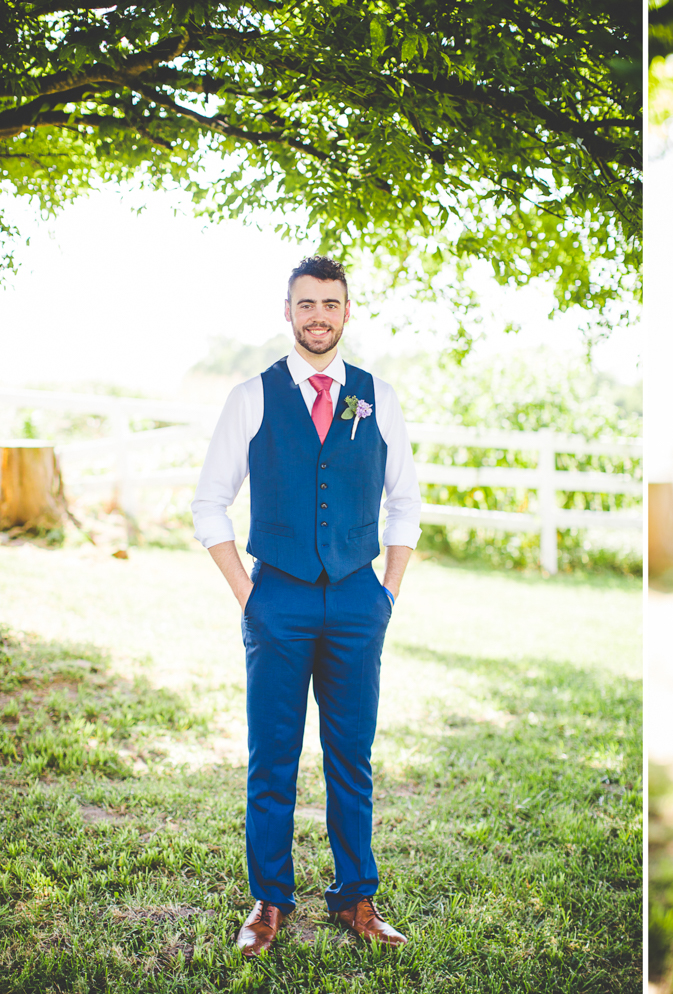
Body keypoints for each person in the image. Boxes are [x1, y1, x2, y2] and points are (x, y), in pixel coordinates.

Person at [192, 256, 422, 956]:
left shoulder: (376, 395)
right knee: (273, 758)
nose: (318, 315)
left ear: (347, 312)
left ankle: (357, 898)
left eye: (331, 303)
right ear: (287, 312)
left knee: (352, 756)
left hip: (358, 599)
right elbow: (209, 504)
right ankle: (269, 902)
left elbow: (405, 502)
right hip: (278, 599)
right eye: (306, 304)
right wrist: (248, 595)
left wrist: (386, 594)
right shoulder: (251, 398)